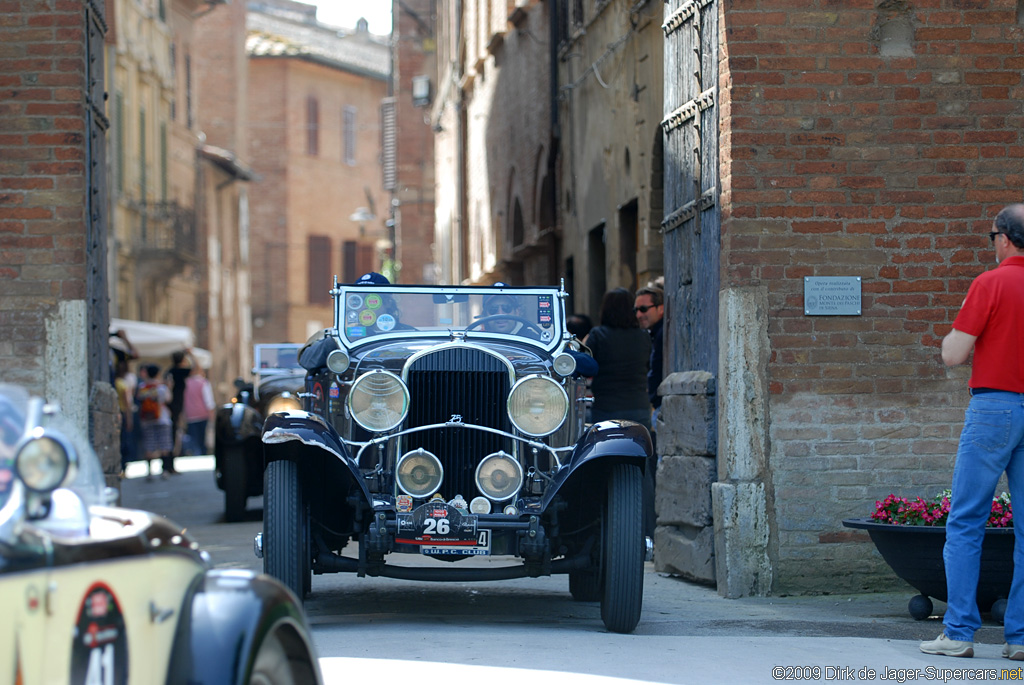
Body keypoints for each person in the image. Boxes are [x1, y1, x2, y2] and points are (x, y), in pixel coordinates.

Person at [919, 204, 1024, 660]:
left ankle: (959, 632)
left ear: (1003, 238)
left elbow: (953, 355)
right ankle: (1020, 638)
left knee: (965, 521)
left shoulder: (990, 283)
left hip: (994, 407)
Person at [585, 288, 652, 429]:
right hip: (639, 406)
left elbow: (586, 367)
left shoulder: (598, 335)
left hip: (606, 407)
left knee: (607, 449)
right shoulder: (644, 336)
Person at [634, 285, 665, 427]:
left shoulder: (663, 333)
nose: (638, 315)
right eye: (636, 310)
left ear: (661, 308)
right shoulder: (656, 333)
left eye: (643, 309)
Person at [136, 364, 173, 480]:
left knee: (149, 445)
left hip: (147, 420)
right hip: (162, 419)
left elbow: (139, 400)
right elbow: (168, 399)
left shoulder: (142, 387)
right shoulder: (161, 387)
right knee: (164, 444)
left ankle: (149, 472)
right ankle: (165, 470)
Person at [164, 349, 196, 475]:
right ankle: (168, 465)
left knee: (171, 434)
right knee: (172, 435)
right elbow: (196, 369)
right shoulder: (180, 371)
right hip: (175, 406)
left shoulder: (169, 371)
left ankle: (168, 465)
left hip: (170, 406)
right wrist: (191, 355)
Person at [182, 364, 216, 456]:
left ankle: (196, 454)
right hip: (202, 414)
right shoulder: (203, 383)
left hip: (190, 415)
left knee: (194, 439)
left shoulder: (185, 383)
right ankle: (203, 454)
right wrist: (212, 416)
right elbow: (209, 401)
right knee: (202, 439)